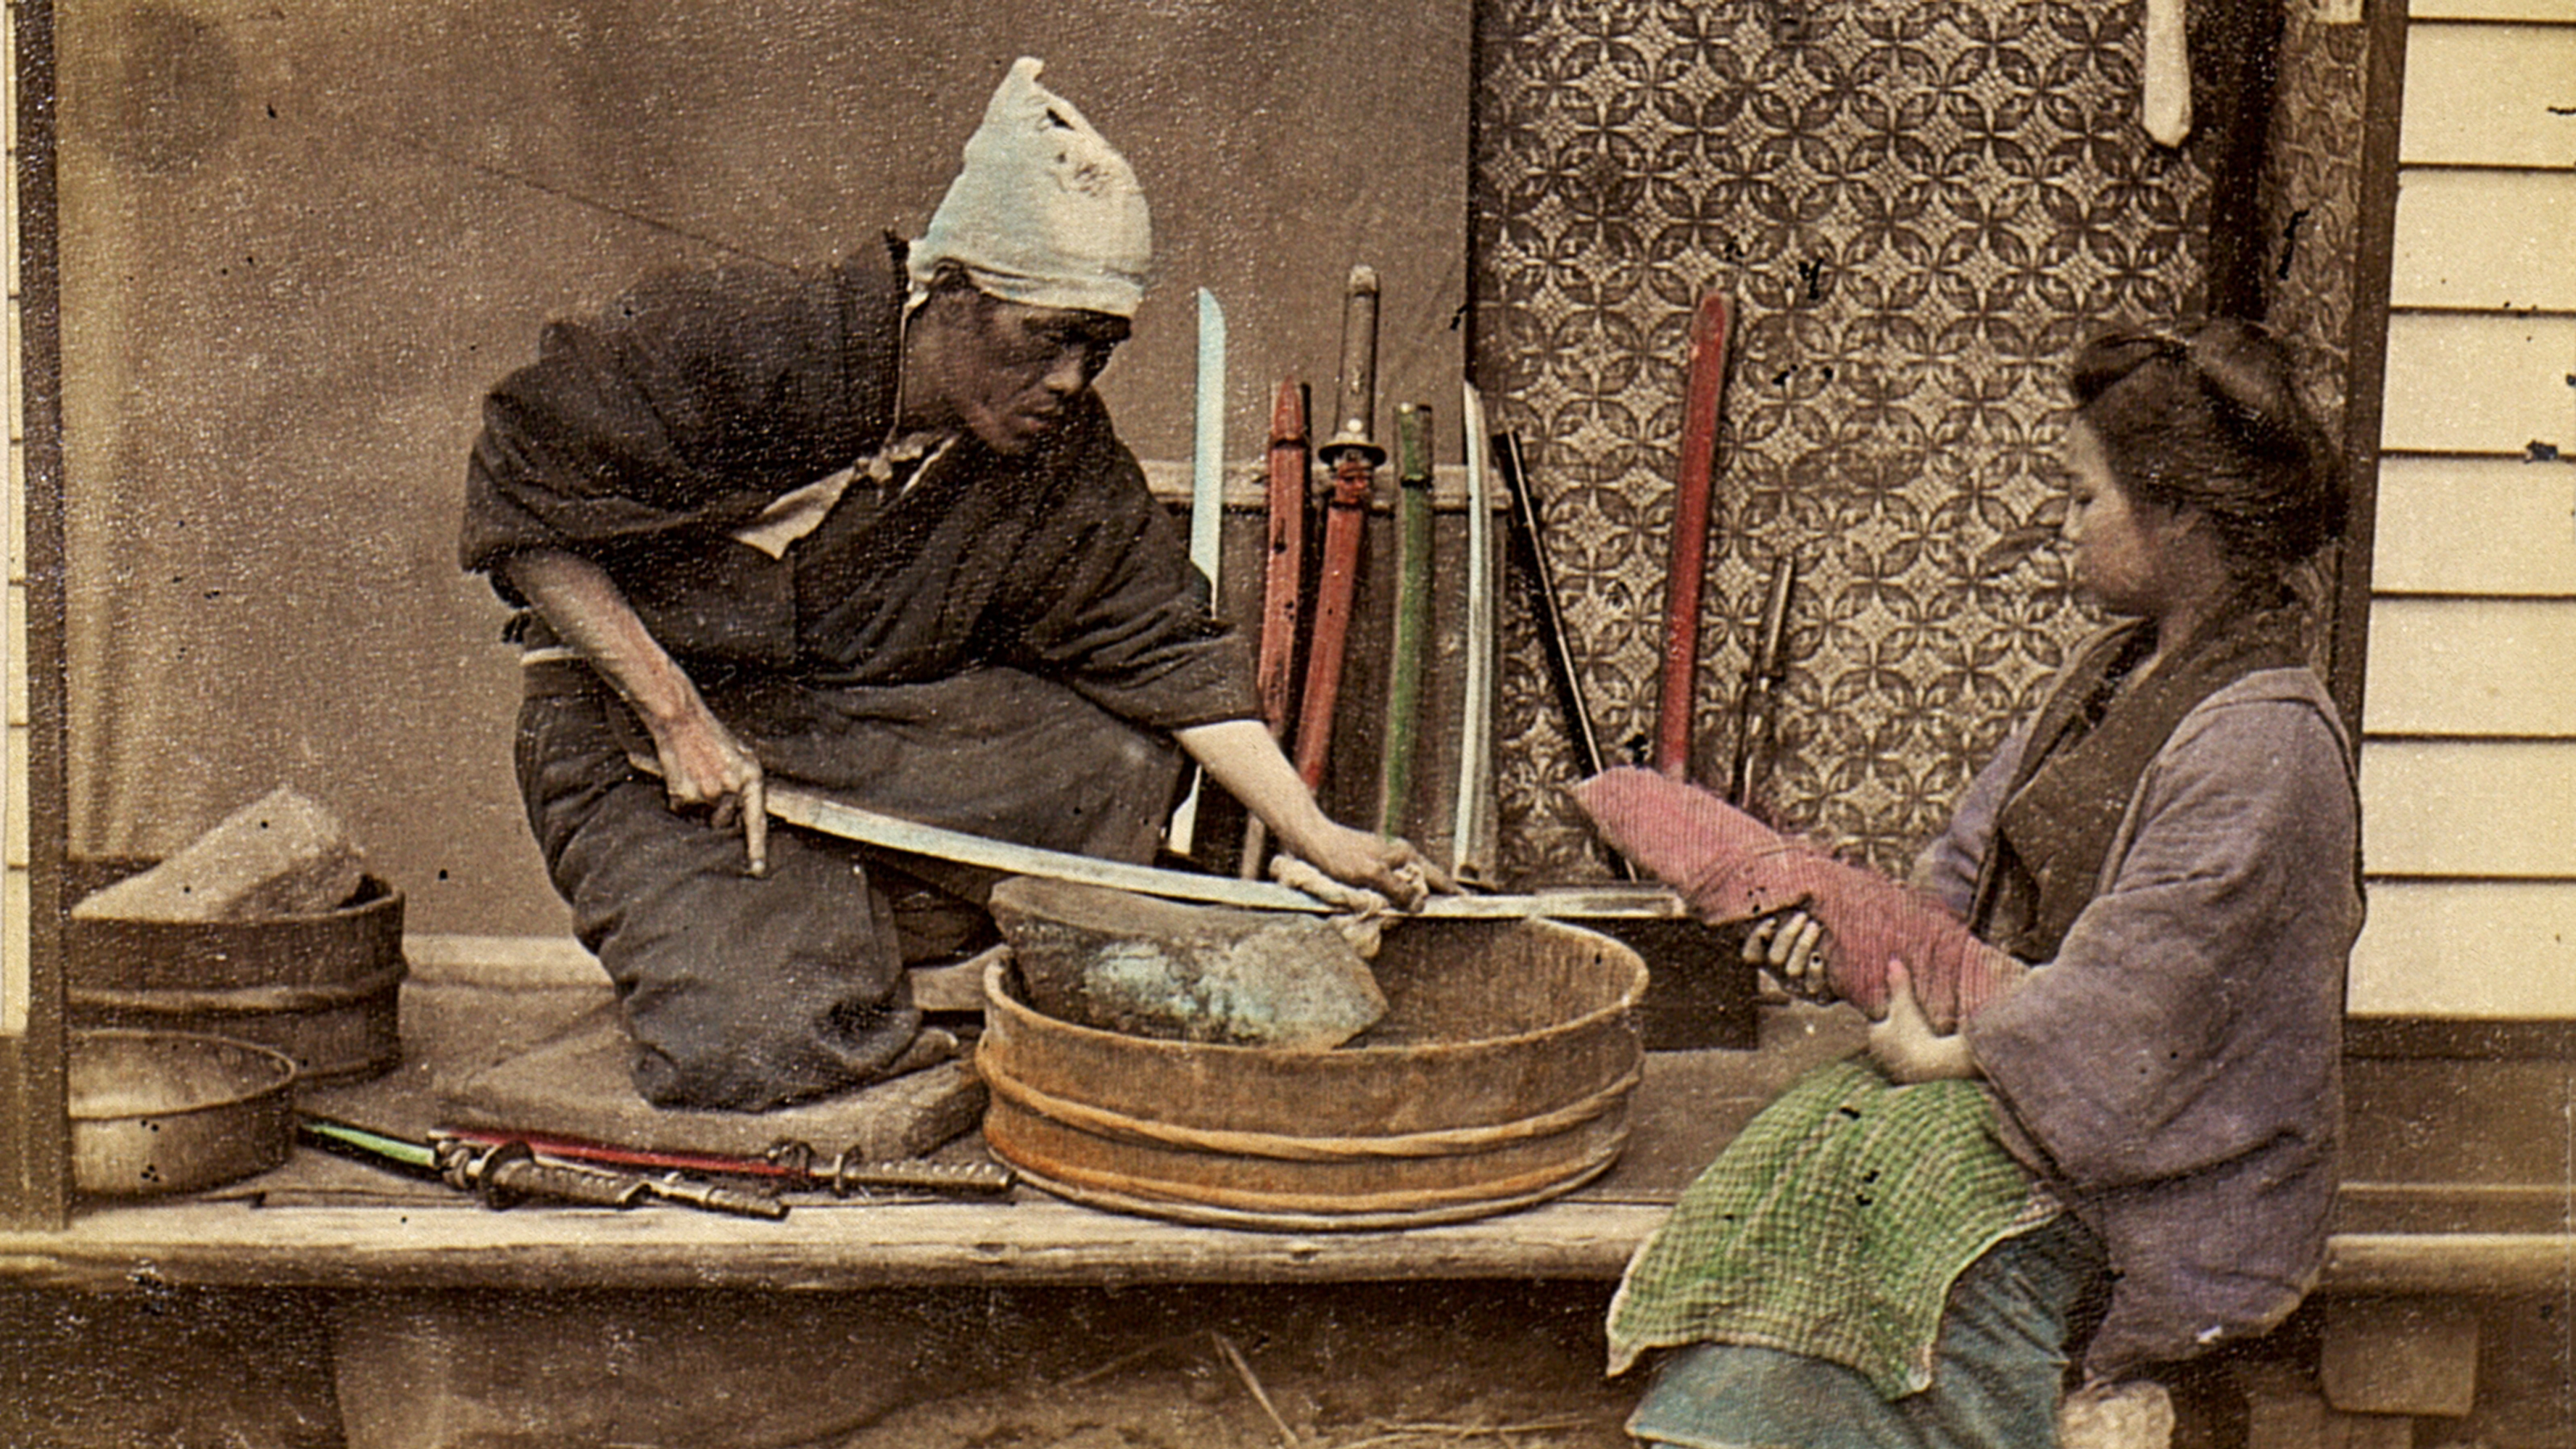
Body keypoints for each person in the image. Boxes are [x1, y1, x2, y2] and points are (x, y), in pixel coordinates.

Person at [461, 58, 1435, 1113]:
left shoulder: (1057, 450)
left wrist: (1317, 834)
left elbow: (1161, 647)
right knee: (751, 1046)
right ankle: (792, 937)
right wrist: (676, 715)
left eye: (1099, 346)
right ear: (951, 291)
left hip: (847, 735)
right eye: (1047, 336)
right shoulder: (744, 336)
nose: (1072, 379)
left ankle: (825, 918)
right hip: (635, 737)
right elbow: (524, 502)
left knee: (1113, 758)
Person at [1598, 319, 2362, 1447]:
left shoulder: (2267, 744)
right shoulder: (2112, 671)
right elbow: (1966, 864)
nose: (2063, 526)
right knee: (1815, 1154)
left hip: (2172, 1171)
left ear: (2181, 515)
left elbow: (2139, 1013)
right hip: (2048, 1087)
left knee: (1922, 1220)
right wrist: (1856, 945)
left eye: (2083, 498)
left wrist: (1950, 1053)